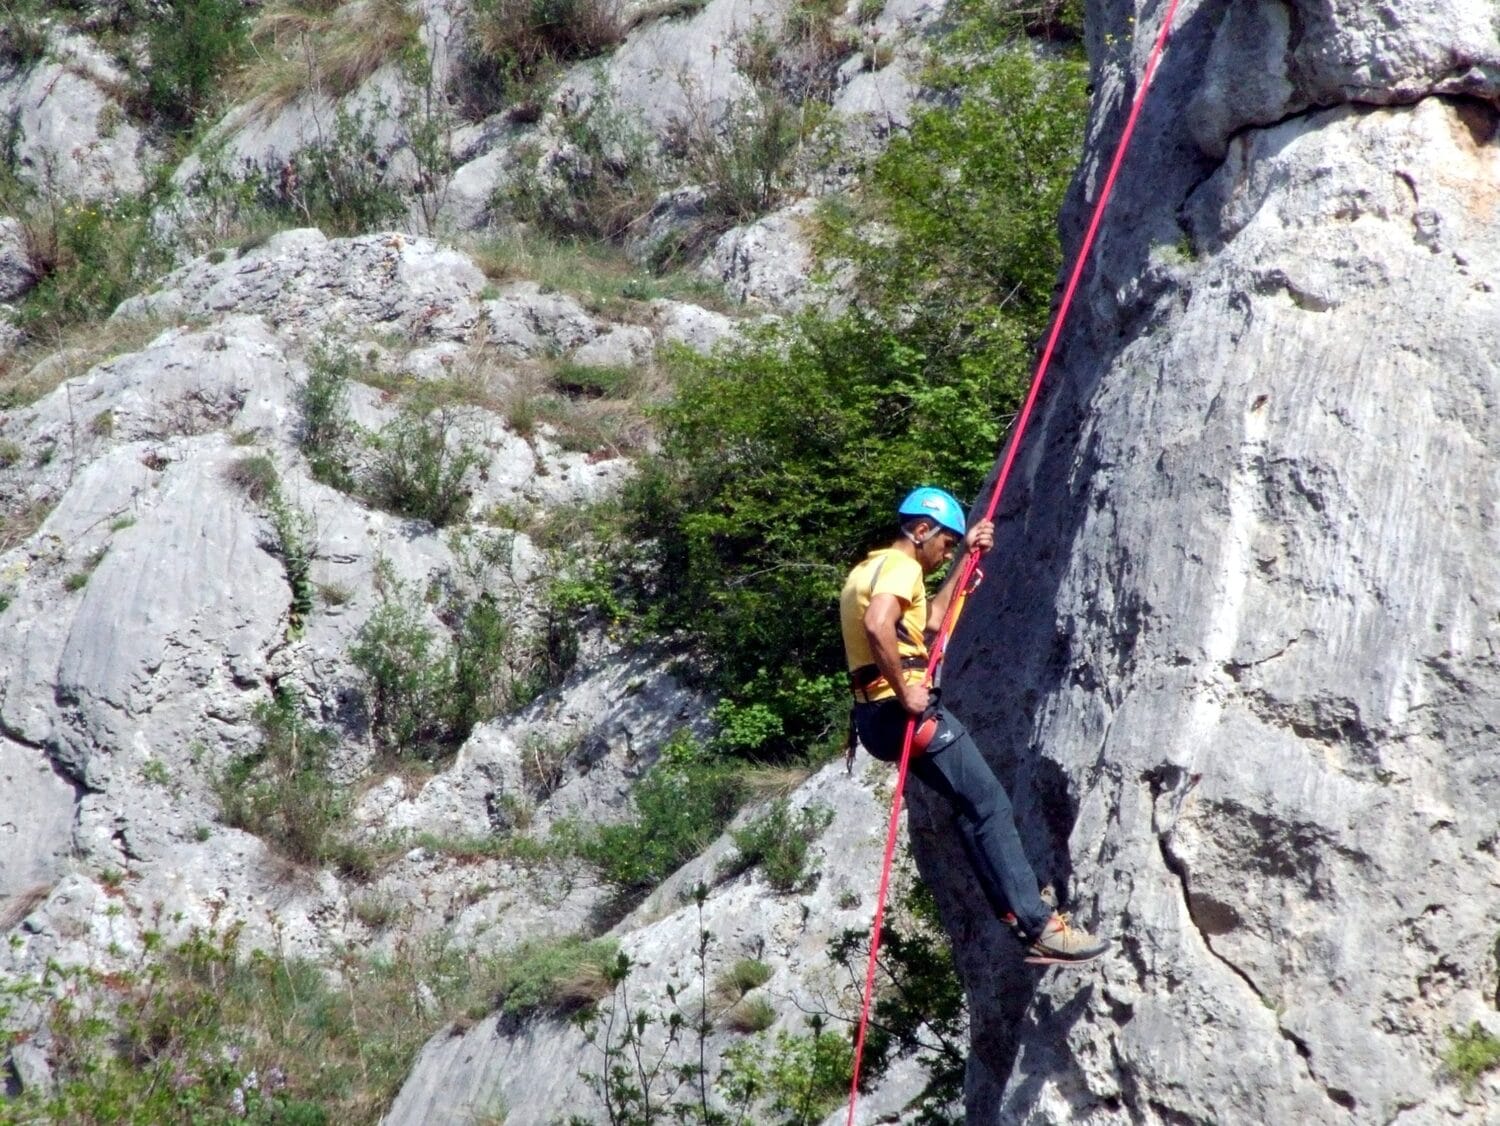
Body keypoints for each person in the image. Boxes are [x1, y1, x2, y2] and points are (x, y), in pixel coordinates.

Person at [840, 486, 1109, 965]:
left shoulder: (869, 569)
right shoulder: (901, 567)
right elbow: (879, 624)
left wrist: (966, 558)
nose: (945, 553)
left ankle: (1014, 912)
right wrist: (906, 691)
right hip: (903, 712)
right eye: (945, 543)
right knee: (990, 803)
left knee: (972, 808)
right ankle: (1040, 926)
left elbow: (929, 623)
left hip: (874, 720)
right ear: (921, 529)